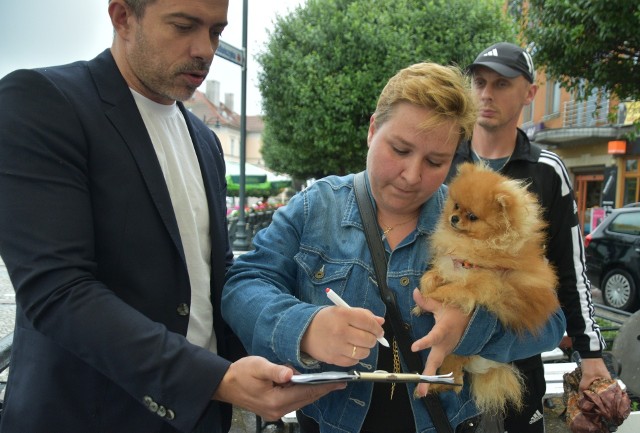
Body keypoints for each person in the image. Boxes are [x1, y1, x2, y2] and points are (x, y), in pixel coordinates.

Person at [0, 1, 344, 432]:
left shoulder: (204, 140)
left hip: (200, 415)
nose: (205, 49)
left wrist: (297, 341)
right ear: (123, 16)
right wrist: (213, 378)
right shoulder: (44, 102)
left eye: (216, 32)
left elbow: (214, 276)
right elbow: (58, 290)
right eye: (184, 26)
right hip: (88, 415)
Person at [221, 62, 566, 433]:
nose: (412, 175)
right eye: (400, 149)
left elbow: (549, 324)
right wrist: (304, 327)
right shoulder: (314, 208)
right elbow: (243, 285)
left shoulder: (474, 217)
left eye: (436, 161)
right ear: (373, 130)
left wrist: (470, 329)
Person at [447, 41, 612, 433]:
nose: (486, 94)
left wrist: (590, 353)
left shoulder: (547, 170)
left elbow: (570, 267)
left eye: (502, 84)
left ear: (530, 92)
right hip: (446, 347)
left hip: (519, 347)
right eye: (480, 82)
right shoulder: (444, 158)